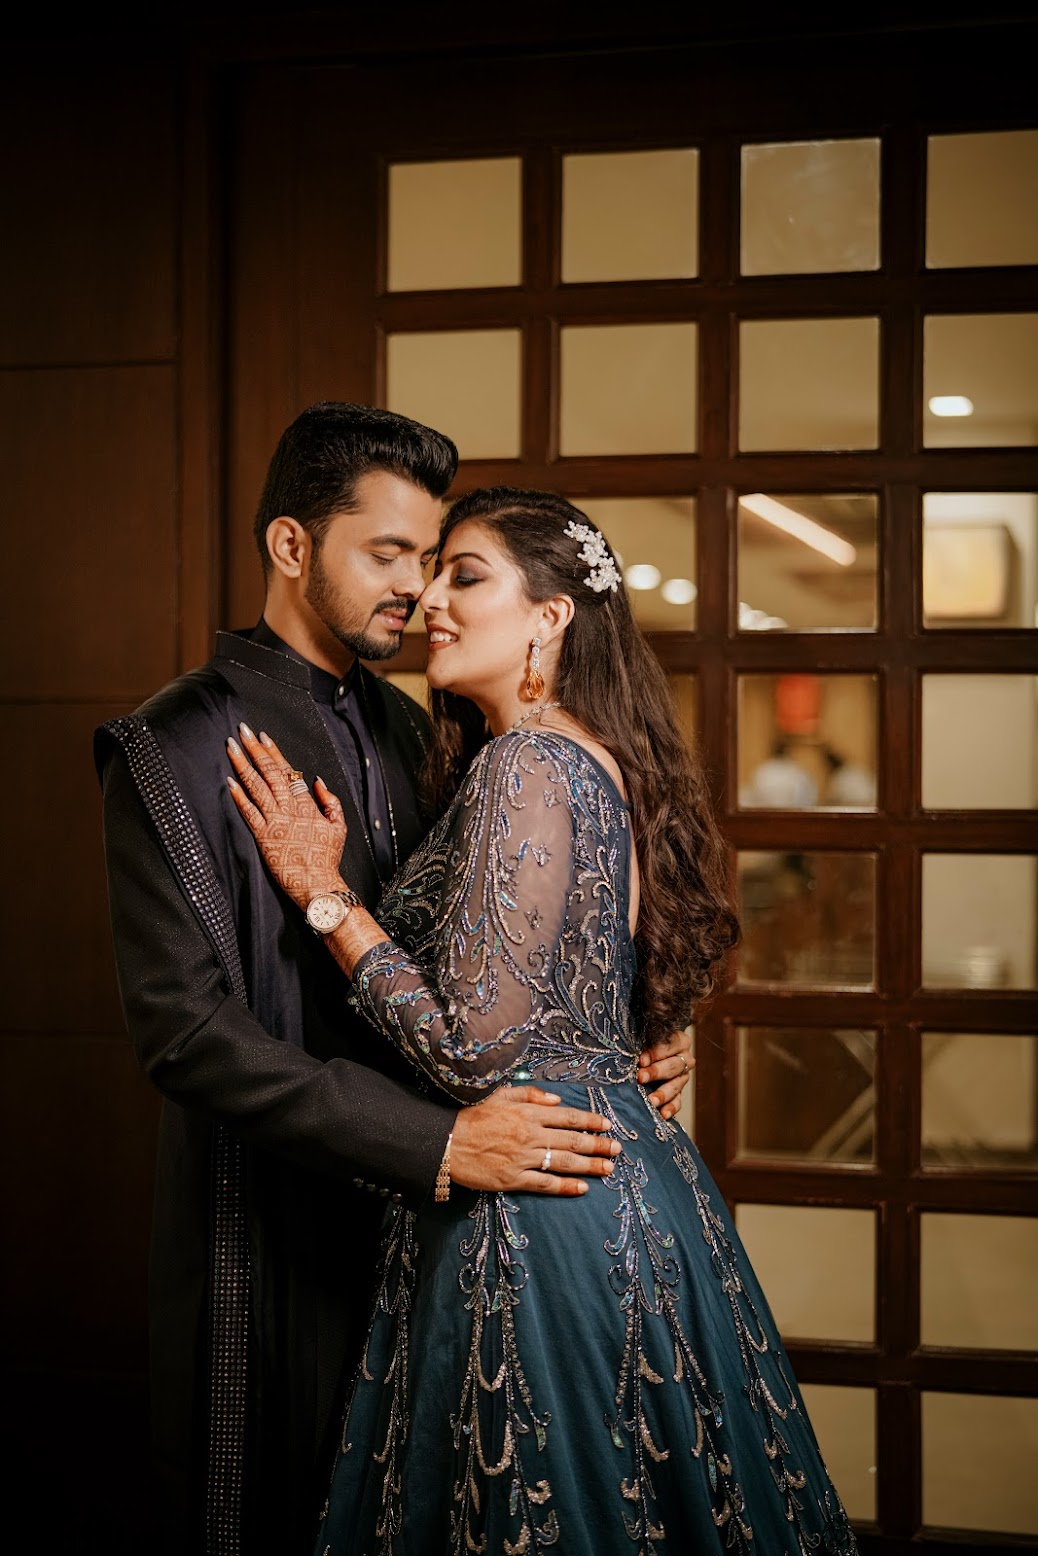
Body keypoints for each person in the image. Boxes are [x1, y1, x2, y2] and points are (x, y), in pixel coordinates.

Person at [95, 407, 690, 1555]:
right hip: (277, 1233)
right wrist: (433, 1141)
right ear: (291, 546)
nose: (417, 589)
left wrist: (643, 1022)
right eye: (388, 555)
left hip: (456, 1227)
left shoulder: (423, 725)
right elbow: (183, 1032)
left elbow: (528, 934)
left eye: (432, 559)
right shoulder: (174, 743)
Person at [227, 487, 861, 1555]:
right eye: (432, 572)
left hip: (534, 1203)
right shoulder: (588, 756)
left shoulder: (527, 762)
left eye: (465, 575)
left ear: (551, 616)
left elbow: (473, 1049)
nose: (431, 599)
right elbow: (599, 987)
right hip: (619, 1182)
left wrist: (325, 896)